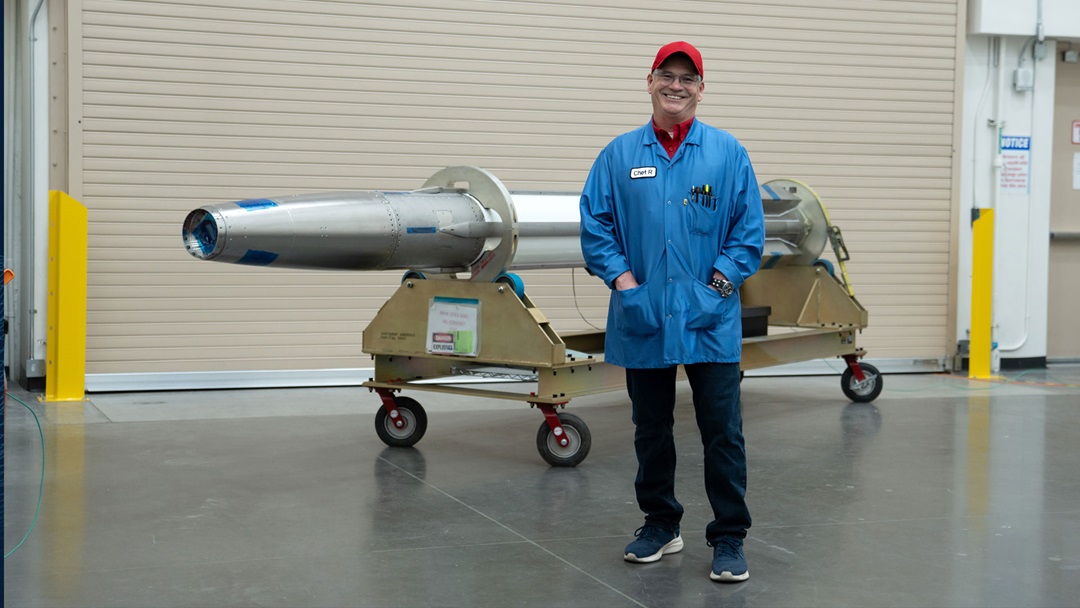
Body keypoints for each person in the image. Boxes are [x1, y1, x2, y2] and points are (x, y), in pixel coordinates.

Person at [579, 41, 765, 583]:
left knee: (722, 431)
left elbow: (747, 231)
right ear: (650, 81)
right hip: (644, 315)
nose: (677, 85)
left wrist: (718, 286)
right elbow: (596, 223)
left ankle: (729, 537)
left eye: (688, 78)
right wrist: (625, 282)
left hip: (709, 318)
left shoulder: (727, 153)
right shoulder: (620, 155)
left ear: (701, 89)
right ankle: (661, 523)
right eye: (668, 75)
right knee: (650, 427)